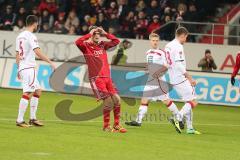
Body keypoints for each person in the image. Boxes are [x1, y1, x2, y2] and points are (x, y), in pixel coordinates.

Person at [125, 33, 182, 133]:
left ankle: (180, 119)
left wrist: (158, 73)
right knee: (144, 100)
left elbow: (166, 66)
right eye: (153, 40)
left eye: (156, 40)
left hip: (160, 80)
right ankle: (138, 121)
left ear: (158, 41)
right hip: (151, 79)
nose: (155, 42)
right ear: (150, 41)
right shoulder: (148, 52)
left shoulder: (162, 52)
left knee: (166, 101)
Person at [75, 26, 127, 133]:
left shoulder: (103, 45)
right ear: (91, 34)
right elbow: (77, 42)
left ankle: (117, 124)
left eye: (98, 33)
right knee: (108, 101)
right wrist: (89, 34)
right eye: (95, 33)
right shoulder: (86, 46)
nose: (97, 35)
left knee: (117, 99)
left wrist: (105, 33)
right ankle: (106, 126)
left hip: (107, 77)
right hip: (96, 78)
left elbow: (116, 41)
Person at [16, 15, 56, 128]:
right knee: (28, 92)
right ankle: (19, 120)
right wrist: (50, 62)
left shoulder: (20, 36)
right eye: (37, 24)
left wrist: (18, 68)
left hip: (24, 67)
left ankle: (33, 118)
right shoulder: (31, 36)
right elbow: (37, 52)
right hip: (28, 67)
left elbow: (17, 53)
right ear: (34, 24)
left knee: (38, 91)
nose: (37, 25)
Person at [165, 27, 201, 134]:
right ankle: (178, 117)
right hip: (181, 78)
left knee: (188, 102)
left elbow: (168, 62)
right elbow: (179, 65)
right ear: (183, 35)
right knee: (193, 101)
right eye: (186, 37)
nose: (186, 39)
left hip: (173, 78)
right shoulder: (178, 46)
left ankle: (190, 128)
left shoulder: (168, 45)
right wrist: (189, 78)